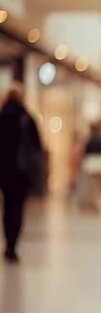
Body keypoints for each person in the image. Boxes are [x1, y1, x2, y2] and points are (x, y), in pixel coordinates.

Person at [0, 84, 43, 264]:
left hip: (3, 170)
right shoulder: (27, 118)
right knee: (17, 207)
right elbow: (37, 146)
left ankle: (8, 242)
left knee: (7, 205)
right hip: (22, 170)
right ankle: (13, 245)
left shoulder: (1, 118)